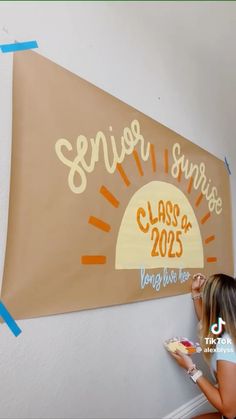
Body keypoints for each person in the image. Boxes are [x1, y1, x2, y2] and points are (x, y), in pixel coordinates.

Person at [169, 273, 236, 419]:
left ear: (212, 305)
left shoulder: (227, 347)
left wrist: (191, 369)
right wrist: (196, 293)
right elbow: (209, 324)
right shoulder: (228, 328)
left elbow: (230, 412)